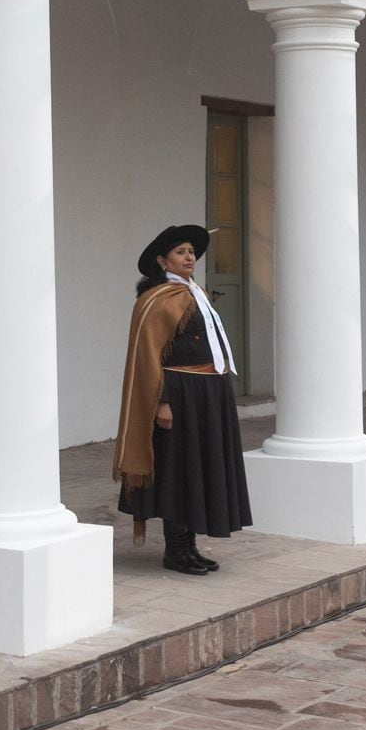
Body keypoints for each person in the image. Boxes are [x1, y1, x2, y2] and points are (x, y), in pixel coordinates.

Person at [114, 224, 251, 576]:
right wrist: (162, 401)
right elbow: (151, 358)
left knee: (198, 468)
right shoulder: (157, 300)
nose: (189, 257)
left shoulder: (195, 293)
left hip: (209, 394)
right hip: (180, 396)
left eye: (192, 252)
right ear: (163, 261)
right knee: (178, 469)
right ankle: (175, 549)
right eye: (180, 252)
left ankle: (188, 546)